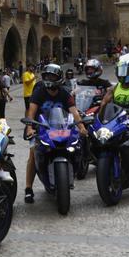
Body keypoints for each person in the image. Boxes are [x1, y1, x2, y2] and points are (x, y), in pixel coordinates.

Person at [22, 64, 85, 204]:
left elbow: (74, 112)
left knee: (76, 145)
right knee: (32, 153)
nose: (49, 79)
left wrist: (81, 127)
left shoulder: (65, 93)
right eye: (47, 76)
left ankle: (76, 170)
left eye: (52, 76)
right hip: (41, 128)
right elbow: (31, 112)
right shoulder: (39, 92)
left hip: (61, 128)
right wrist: (29, 128)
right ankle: (28, 189)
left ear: (59, 78)